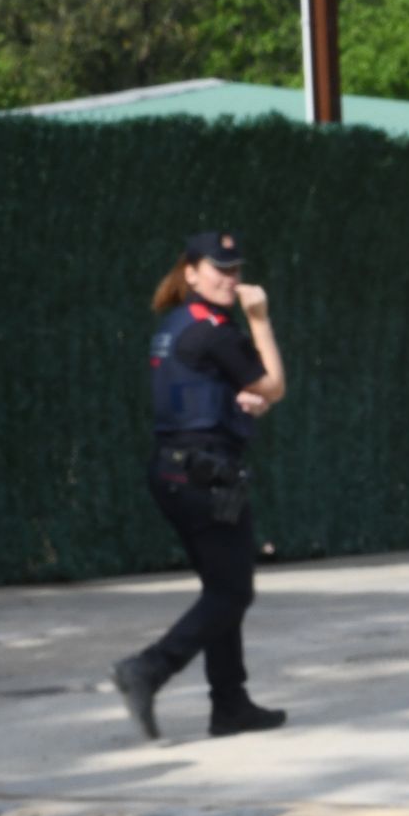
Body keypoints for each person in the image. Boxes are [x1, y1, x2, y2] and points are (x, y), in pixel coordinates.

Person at [111, 230, 288, 741]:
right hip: (204, 477)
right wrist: (260, 320)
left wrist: (244, 398)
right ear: (190, 272)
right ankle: (148, 669)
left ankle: (229, 705)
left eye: (234, 270)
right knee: (233, 593)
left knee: (220, 587)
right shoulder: (215, 331)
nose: (230, 279)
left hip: (175, 472)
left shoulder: (175, 325)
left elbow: (204, 391)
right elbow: (274, 384)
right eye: (218, 270)